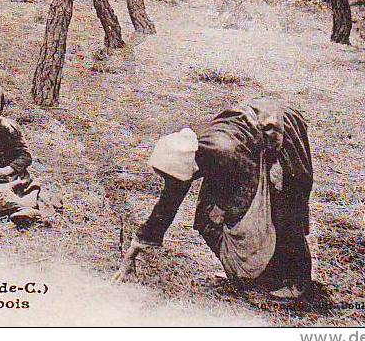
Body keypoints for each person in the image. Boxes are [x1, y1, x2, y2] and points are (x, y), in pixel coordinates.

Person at [114, 98, 314, 300]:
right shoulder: (187, 153)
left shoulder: (224, 152)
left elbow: (247, 189)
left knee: (283, 206)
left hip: (281, 131)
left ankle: (297, 280)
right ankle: (251, 274)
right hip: (246, 145)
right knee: (206, 219)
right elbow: (168, 202)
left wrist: (224, 209)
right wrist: (138, 245)